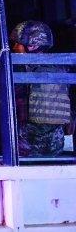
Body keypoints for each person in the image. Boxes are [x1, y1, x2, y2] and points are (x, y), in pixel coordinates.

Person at [9, 21, 70, 157]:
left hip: (24, 146)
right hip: (56, 145)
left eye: (17, 43)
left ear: (32, 45)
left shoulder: (19, 70)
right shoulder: (60, 68)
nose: (14, 47)